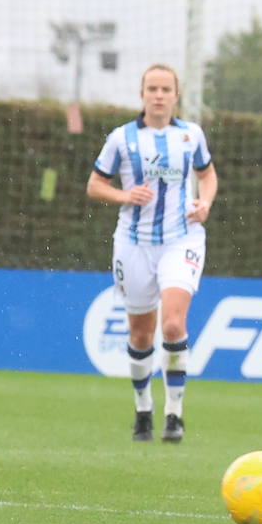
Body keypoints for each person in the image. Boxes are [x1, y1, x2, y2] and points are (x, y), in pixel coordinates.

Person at [87, 64, 217, 443]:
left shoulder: (191, 135)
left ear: (177, 95)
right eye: (152, 89)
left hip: (182, 238)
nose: (159, 95)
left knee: (173, 325)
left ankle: (174, 413)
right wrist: (124, 196)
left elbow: (207, 175)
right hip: (133, 242)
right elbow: (95, 185)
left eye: (166, 89)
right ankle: (143, 408)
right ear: (141, 94)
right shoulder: (121, 139)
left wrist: (204, 202)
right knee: (140, 333)